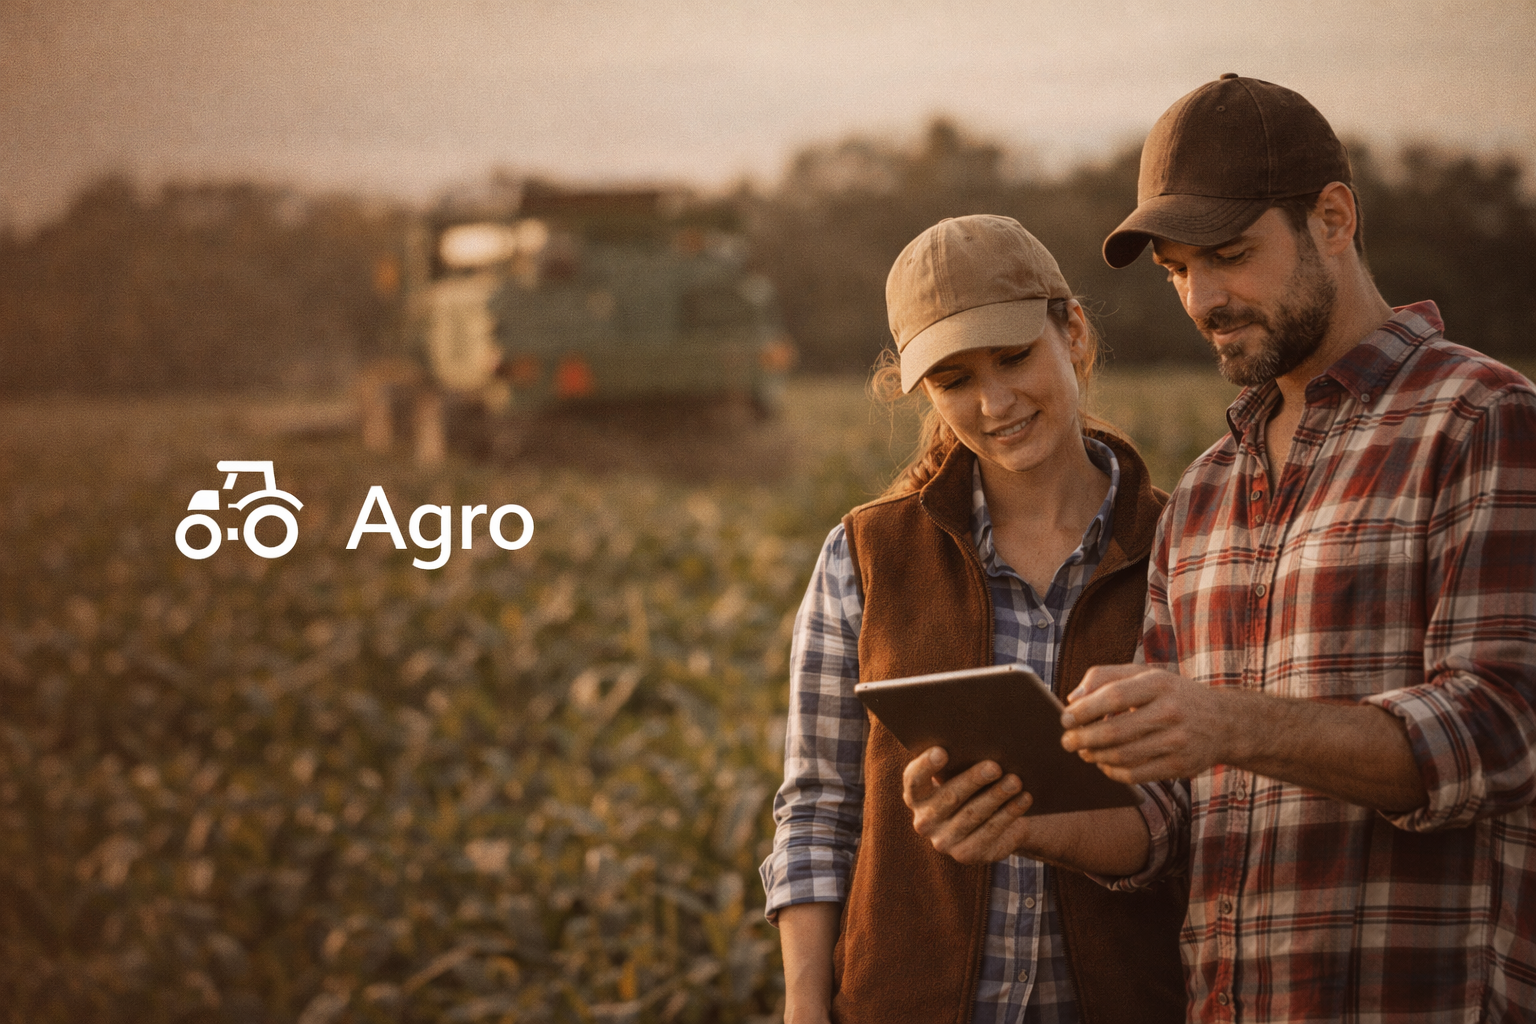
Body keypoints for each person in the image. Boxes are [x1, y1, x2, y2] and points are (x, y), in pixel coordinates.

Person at [902, 76, 1536, 1022]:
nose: (1203, 298)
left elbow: (1502, 731)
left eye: (1231, 256)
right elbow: (1168, 815)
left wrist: (1231, 724)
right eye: (1176, 270)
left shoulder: (1481, 421)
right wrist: (1033, 819)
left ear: (1333, 218)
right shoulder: (1204, 492)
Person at [759, 214, 1186, 1024]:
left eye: (1015, 357)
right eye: (954, 379)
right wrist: (805, 1007)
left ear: (1075, 333)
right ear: (920, 391)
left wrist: (1040, 823)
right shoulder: (864, 555)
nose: (995, 401)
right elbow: (818, 809)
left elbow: (1203, 823)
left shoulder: (1183, 547)